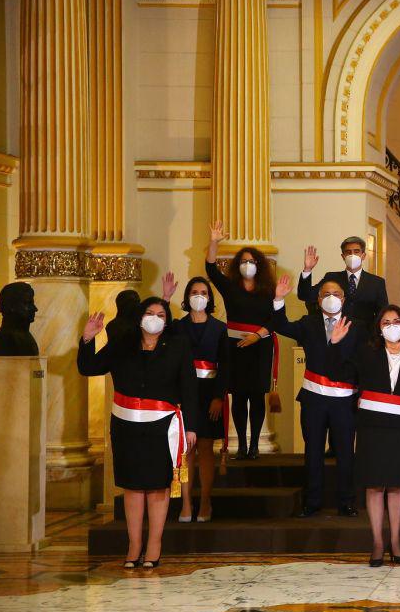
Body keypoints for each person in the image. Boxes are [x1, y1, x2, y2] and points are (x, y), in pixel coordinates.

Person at [78, 297, 198, 569]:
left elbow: (189, 388)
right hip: (126, 425)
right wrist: (87, 339)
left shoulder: (177, 345)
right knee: (132, 487)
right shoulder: (122, 343)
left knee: (157, 486)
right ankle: (134, 545)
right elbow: (89, 367)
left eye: (160, 314)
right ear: (140, 317)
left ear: (166, 321)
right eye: (149, 312)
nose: (154, 318)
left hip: (162, 425)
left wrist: (190, 427)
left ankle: (154, 545)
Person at [327, 306, 400, 566]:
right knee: (374, 485)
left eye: (396, 321)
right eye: (386, 322)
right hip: (372, 428)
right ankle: (376, 542)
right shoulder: (366, 354)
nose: (392, 326)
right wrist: (335, 344)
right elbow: (339, 373)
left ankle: (395, 540)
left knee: (396, 485)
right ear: (379, 327)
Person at [270, 274, 364, 518]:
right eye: (326, 294)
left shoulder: (356, 326)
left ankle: (347, 502)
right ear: (318, 299)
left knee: (345, 452)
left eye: (336, 294)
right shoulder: (308, 323)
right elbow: (281, 326)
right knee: (313, 451)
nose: (331, 298)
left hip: (344, 400)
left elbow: (360, 363)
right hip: (314, 399)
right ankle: (312, 502)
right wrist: (279, 299)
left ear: (344, 299)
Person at [205, 221, 277, 460]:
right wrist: (214, 241)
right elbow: (211, 269)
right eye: (244, 261)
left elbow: (275, 319)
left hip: (260, 346)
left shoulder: (268, 290)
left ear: (259, 265)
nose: (248, 265)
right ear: (238, 265)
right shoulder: (231, 287)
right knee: (238, 396)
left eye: (252, 261)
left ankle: (255, 444)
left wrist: (258, 336)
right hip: (234, 348)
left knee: (257, 397)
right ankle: (242, 446)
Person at [171, 276, 231, 523]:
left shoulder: (219, 328)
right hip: (184, 393)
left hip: (209, 393)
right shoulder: (177, 327)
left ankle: (205, 500)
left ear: (209, 298)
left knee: (206, 448)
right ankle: (186, 502)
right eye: (194, 291)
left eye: (203, 292)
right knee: (187, 450)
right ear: (187, 297)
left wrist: (219, 396)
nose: (199, 296)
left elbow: (226, 365)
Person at [298, 236, 389, 326]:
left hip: (365, 336)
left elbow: (383, 314)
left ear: (363, 255)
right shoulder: (331, 277)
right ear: (343, 256)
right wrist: (307, 269)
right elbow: (305, 295)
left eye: (356, 252)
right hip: (336, 333)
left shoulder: (377, 283)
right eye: (348, 252)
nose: (352, 255)